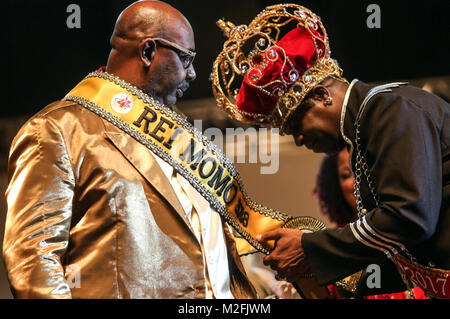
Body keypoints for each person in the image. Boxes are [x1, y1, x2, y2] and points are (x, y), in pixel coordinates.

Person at [2, 1, 256, 299]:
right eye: (186, 59)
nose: (193, 75)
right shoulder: (58, 129)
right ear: (148, 52)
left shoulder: (186, 138)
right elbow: (33, 261)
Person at [212, 4, 449, 298]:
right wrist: (328, 279)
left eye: (297, 124)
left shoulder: (389, 109)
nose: (298, 140)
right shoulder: (364, 130)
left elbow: (409, 219)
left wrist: (309, 247)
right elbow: (408, 254)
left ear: (322, 94)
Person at [314, 149, 426, 298]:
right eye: (347, 174)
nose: (357, 179)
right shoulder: (333, 246)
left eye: (362, 169)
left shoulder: (412, 227)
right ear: (336, 186)